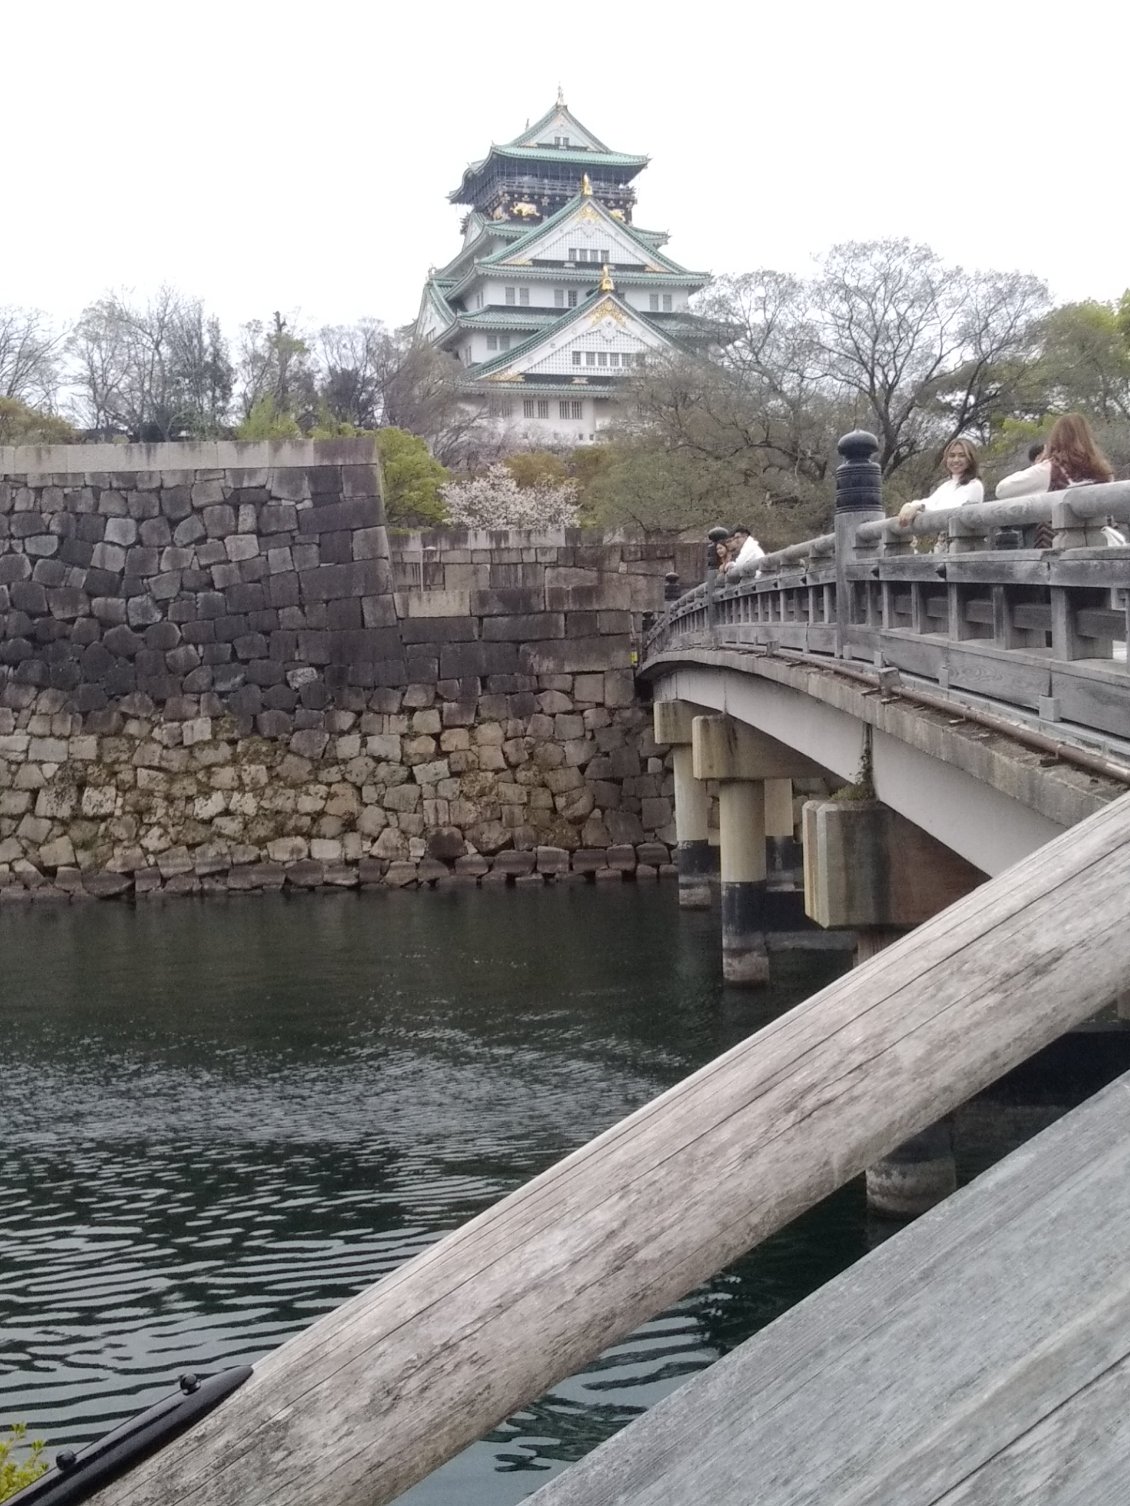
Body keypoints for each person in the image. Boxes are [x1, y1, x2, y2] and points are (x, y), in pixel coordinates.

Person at [995, 413, 1114, 499]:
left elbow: (1002, 490)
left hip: (1059, 533)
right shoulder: (1103, 470)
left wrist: (1038, 465)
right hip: (1101, 533)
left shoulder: (1049, 469)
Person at [896, 439, 984, 528]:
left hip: (964, 540)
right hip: (945, 539)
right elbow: (930, 503)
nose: (956, 460)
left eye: (962, 456)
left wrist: (918, 507)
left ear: (970, 459)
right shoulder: (946, 486)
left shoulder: (974, 485)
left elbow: (949, 511)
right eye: (952, 456)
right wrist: (910, 505)